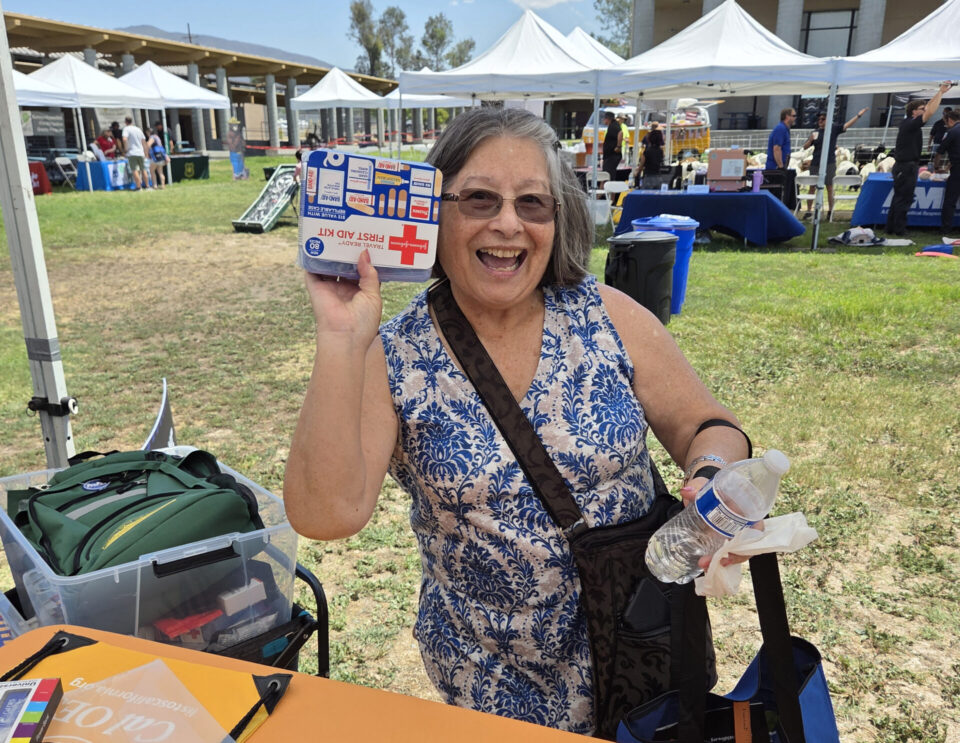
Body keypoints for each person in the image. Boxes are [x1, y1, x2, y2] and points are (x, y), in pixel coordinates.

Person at [283, 108, 751, 735]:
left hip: (644, 661)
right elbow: (325, 515)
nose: (508, 223)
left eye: (533, 203)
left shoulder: (608, 315)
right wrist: (341, 339)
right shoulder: (393, 355)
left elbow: (707, 425)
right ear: (432, 210)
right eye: (479, 199)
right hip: (496, 695)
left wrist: (712, 476)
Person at [885, 82, 953, 236]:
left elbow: (928, 107)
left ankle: (892, 227)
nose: (925, 111)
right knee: (904, 198)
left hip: (905, 165)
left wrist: (939, 92)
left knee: (899, 197)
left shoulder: (908, 123)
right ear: (914, 112)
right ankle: (899, 229)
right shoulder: (910, 124)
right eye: (921, 109)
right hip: (906, 166)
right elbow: (929, 112)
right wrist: (941, 93)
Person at [800, 107, 868, 220]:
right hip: (816, 162)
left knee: (829, 187)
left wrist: (858, 116)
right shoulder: (815, 132)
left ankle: (830, 211)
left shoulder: (834, 128)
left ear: (828, 119)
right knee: (812, 187)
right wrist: (811, 139)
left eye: (822, 119)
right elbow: (805, 146)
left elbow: (846, 125)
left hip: (829, 162)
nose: (820, 121)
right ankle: (808, 210)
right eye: (819, 120)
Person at [934, 108, 960, 233]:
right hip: (955, 165)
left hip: (957, 170)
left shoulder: (952, 132)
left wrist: (936, 167)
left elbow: (940, 152)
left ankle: (946, 228)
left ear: (950, 120)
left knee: (950, 200)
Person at [121, 115, 149, 190]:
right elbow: (144, 142)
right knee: (143, 169)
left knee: (134, 170)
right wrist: (146, 152)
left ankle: (138, 187)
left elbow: (124, 139)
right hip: (141, 152)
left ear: (125, 122)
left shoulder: (126, 129)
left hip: (132, 152)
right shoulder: (138, 129)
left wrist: (126, 149)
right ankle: (147, 186)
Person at [636, 121, 665, 188]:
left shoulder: (647, 152)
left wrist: (637, 173)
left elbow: (641, 165)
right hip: (658, 177)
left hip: (648, 177)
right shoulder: (660, 151)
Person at [146, 126, 170, 190]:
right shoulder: (157, 137)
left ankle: (155, 185)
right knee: (160, 172)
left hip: (155, 157)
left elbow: (148, 145)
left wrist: (146, 152)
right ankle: (163, 185)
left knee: (152, 171)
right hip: (161, 157)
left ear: (149, 132)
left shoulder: (152, 137)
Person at [601, 110, 622, 181]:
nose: (604, 120)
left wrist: (618, 146)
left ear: (608, 119)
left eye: (604, 118)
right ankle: (603, 191)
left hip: (612, 156)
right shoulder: (612, 125)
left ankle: (605, 191)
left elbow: (620, 133)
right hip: (609, 156)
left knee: (606, 176)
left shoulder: (613, 125)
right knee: (607, 176)